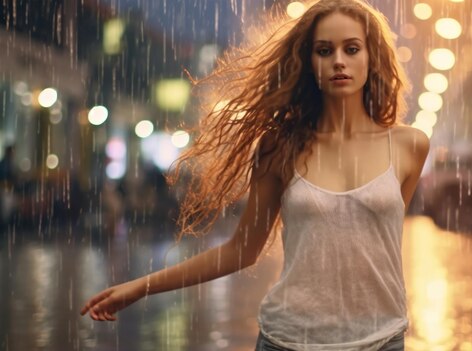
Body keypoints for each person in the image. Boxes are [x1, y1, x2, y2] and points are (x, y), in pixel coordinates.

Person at [80, 0, 430, 350]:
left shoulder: (409, 146)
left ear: (372, 58)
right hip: (289, 340)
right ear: (309, 62)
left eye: (352, 49)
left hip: (382, 339)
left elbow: (378, 246)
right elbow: (241, 250)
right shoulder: (280, 147)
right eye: (324, 50)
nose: (339, 60)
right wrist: (139, 287)